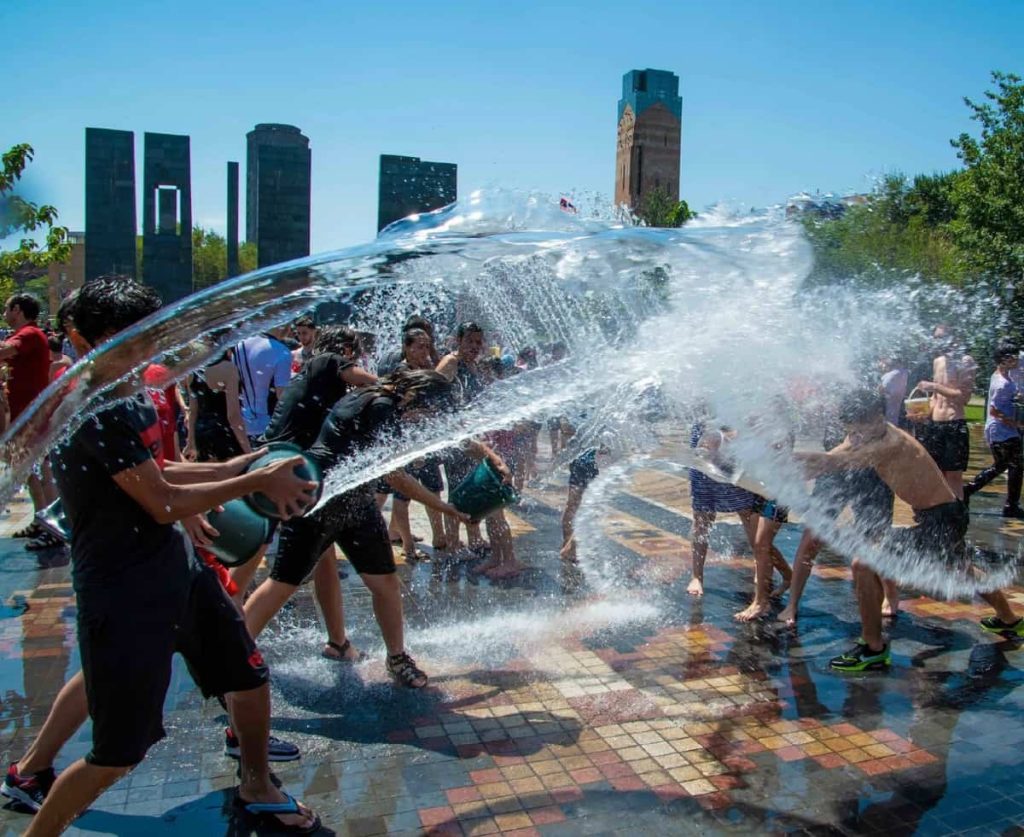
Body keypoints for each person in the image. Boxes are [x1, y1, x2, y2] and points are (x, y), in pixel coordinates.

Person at [1, 277, 320, 834]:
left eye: (150, 334)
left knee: (248, 680)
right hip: (125, 590)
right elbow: (163, 500)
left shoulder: (124, 394)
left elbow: (157, 471)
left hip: (179, 570)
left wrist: (235, 469)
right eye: (130, 339)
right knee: (120, 752)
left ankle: (258, 783)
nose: (148, 349)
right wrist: (255, 482)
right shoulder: (90, 408)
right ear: (81, 338)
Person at [241, 371, 494, 689]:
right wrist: (447, 510)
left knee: (386, 583)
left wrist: (489, 457)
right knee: (282, 584)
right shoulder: (380, 408)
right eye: (433, 411)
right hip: (317, 503)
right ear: (418, 398)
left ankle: (397, 658)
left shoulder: (381, 398)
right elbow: (395, 477)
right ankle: (233, 660)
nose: (429, 420)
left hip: (355, 504)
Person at [796, 387, 1024, 672]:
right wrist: (787, 464)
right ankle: (1010, 619)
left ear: (879, 416)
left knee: (863, 563)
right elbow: (830, 457)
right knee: (959, 566)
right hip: (945, 516)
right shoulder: (868, 433)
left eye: (860, 429)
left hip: (940, 520)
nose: (857, 436)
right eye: (852, 430)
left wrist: (792, 460)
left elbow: (835, 463)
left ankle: (873, 648)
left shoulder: (889, 442)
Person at [252, 325, 377, 661]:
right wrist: (391, 391)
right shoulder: (329, 361)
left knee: (320, 560)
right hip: (281, 474)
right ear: (348, 351)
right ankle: (227, 654)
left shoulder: (315, 376)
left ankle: (338, 642)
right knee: (277, 573)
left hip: (279, 470)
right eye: (359, 355)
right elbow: (371, 383)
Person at [0, 293, 57, 541]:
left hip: (31, 416)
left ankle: (51, 526)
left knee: (37, 469)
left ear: (18, 310)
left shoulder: (30, 334)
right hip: (26, 415)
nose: (4, 314)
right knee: (28, 470)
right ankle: (42, 520)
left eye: (6, 309)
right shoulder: (25, 336)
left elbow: (7, 350)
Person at [386, 328, 448, 556]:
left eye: (427, 346)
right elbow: (399, 410)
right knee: (403, 495)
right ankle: (408, 546)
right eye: (420, 346)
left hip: (424, 441)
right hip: (408, 444)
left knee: (433, 488)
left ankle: (440, 538)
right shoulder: (403, 373)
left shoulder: (425, 369)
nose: (426, 351)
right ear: (407, 347)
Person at [437, 322, 489, 553]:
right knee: (458, 491)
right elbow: (431, 390)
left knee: (471, 489)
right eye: (470, 341)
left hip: (470, 437)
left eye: (478, 342)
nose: (475, 346)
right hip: (455, 440)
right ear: (458, 341)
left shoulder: (473, 365)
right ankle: (452, 542)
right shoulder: (451, 362)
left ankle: (474, 537)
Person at [909, 328, 977, 500]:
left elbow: (964, 397)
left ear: (955, 337)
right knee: (936, 473)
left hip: (954, 423)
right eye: (936, 338)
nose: (939, 342)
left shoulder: (966, 361)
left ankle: (957, 517)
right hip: (935, 424)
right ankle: (937, 515)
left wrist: (935, 386)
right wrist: (923, 413)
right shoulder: (938, 361)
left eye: (943, 337)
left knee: (953, 475)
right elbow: (934, 397)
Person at [963, 341, 1024, 518]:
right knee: (1011, 465)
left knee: (1004, 465)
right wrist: (1014, 423)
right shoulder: (1002, 382)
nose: (1017, 360)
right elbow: (993, 410)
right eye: (1013, 357)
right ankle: (1009, 505)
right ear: (1005, 360)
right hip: (1003, 431)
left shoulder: (999, 376)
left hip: (999, 431)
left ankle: (970, 490)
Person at [184, 350, 251, 463]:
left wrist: (190, 441)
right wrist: (248, 450)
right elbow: (233, 415)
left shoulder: (193, 369)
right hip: (223, 433)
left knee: (211, 477)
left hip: (201, 433)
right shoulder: (228, 369)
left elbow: (193, 410)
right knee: (235, 478)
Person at [234, 328, 292, 446]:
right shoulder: (281, 351)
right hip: (268, 426)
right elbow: (282, 397)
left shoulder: (240, 345)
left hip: (241, 426)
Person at [560, 444, 610, 563]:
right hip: (588, 465)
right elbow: (605, 449)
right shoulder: (600, 426)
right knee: (589, 509)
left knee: (572, 506)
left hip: (577, 462)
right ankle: (570, 549)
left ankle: (567, 544)